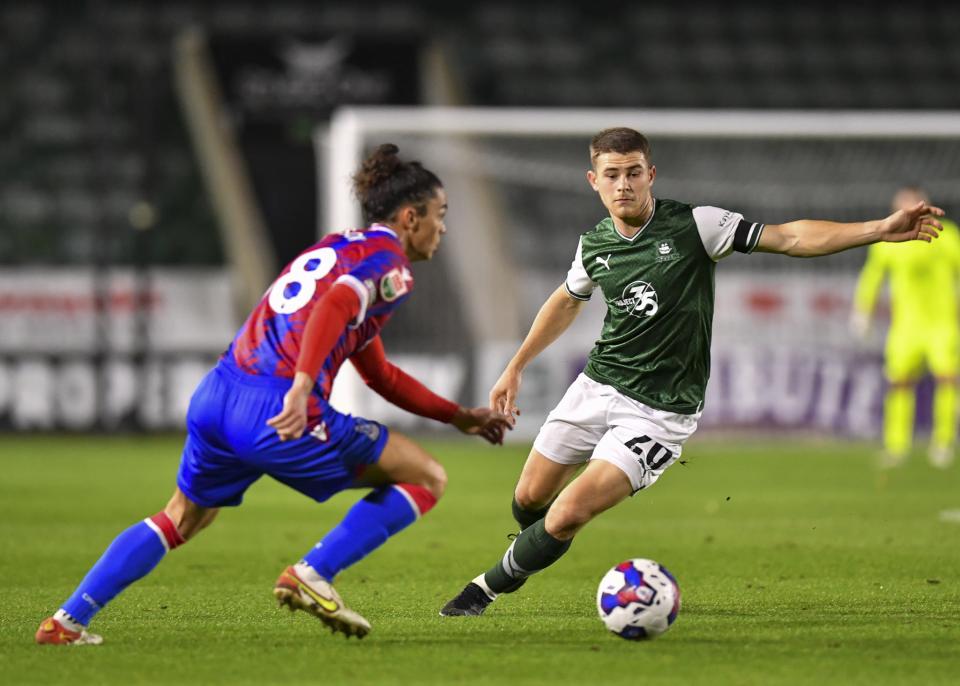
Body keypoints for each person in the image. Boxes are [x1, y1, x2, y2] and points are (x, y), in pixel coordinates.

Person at [439, 127, 944, 616]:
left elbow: (788, 237)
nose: (623, 184)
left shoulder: (697, 225)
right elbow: (567, 300)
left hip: (660, 411)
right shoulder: (593, 244)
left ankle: (484, 589)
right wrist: (516, 365)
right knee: (528, 501)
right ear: (593, 181)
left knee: (567, 512)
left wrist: (877, 229)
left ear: (651, 174)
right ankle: (543, 541)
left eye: (633, 172)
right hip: (597, 385)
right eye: (611, 174)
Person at [35, 144, 512, 645]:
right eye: (441, 215)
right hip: (279, 405)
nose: (443, 228)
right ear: (410, 217)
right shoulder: (391, 265)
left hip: (218, 397)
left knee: (181, 516)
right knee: (426, 476)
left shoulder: (335, 248)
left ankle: (66, 622)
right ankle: (314, 573)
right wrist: (303, 385)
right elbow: (336, 304)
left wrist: (459, 416)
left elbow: (380, 374)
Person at [851, 186, 960, 469]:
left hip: (942, 323)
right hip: (905, 326)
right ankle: (896, 446)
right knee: (899, 384)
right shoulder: (889, 238)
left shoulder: (946, 234)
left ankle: (943, 442)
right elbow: (872, 276)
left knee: (948, 380)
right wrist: (863, 311)